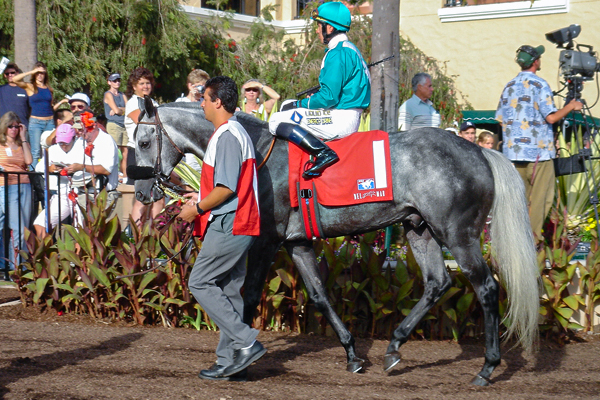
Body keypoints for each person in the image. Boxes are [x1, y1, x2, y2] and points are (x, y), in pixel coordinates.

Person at [179, 76, 263, 381]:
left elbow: (226, 188)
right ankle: (230, 361)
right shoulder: (234, 131)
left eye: (205, 97)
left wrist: (196, 209)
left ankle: (246, 341)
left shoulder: (227, 135)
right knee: (229, 291)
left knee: (199, 282)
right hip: (240, 222)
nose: (200, 102)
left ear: (217, 102)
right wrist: (198, 197)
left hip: (231, 222)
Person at [268, 1, 371, 178]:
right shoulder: (350, 49)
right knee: (286, 104)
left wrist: (302, 103)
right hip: (347, 114)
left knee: (276, 120)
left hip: (341, 119)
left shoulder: (337, 53)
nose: (316, 30)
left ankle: (323, 153)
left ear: (329, 28)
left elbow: (328, 98)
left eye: (319, 25)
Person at [495, 44, 583, 241]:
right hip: (539, 155)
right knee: (541, 201)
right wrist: (571, 106)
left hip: (514, 156)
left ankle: (514, 242)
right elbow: (551, 118)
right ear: (535, 62)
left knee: (520, 203)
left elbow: (500, 118)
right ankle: (531, 244)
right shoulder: (539, 84)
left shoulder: (509, 86)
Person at [124, 67, 164, 225]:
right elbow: (144, 123)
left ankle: (156, 237)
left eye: (148, 83)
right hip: (138, 154)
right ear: (134, 86)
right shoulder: (133, 103)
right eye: (141, 83)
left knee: (158, 199)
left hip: (154, 155)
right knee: (142, 200)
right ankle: (135, 238)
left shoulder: (153, 102)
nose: (145, 86)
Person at [12, 62, 69, 167]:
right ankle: (34, 178)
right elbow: (15, 79)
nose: (40, 75)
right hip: (36, 122)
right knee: (36, 151)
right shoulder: (31, 87)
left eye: (42, 73)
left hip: (49, 122)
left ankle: (48, 173)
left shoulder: (48, 89)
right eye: (38, 73)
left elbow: (50, 107)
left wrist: (61, 102)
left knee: (49, 149)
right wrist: (32, 71)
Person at [33, 123, 83, 236]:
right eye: (61, 142)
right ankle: (46, 253)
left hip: (79, 193)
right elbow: (39, 168)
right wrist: (50, 168)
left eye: (66, 142)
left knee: (80, 231)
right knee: (40, 224)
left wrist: (76, 168)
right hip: (61, 194)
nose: (63, 145)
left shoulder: (82, 147)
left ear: (74, 138)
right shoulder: (53, 149)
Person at [67, 108, 120, 213]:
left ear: (94, 125)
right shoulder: (80, 141)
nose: (78, 132)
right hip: (82, 193)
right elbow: (71, 161)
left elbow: (106, 170)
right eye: (77, 128)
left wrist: (81, 167)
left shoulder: (106, 140)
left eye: (82, 128)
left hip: (102, 195)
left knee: (96, 227)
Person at [0, 112, 32, 271]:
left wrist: (24, 136)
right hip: (7, 186)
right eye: (10, 126)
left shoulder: (21, 143)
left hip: (24, 185)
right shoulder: (0, 144)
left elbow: (29, 161)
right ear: (4, 127)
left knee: (24, 228)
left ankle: (23, 266)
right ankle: (17, 267)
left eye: (16, 126)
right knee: (17, 227)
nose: (13, 129)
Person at [103, 73, 128, 176]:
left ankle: (125, 175)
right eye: (114, 81)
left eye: (118, 80)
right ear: (109, 82)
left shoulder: (122, 95)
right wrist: (120, 110)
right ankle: (115, 175)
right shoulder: (108, 94)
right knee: (115, 152)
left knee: (125, 152)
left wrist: (120, 109)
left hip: (124, 125)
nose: (117, 82)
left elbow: (129, 109)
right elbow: (116, 110)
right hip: (114, 125)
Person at [0, 63, 30, 128]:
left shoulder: (25, 89)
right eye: (7, 74)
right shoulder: (1, 89)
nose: (10, 75)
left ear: (17, 73)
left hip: (22, 127)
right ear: (5, 75)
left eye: (12, 72)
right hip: (5, 128)